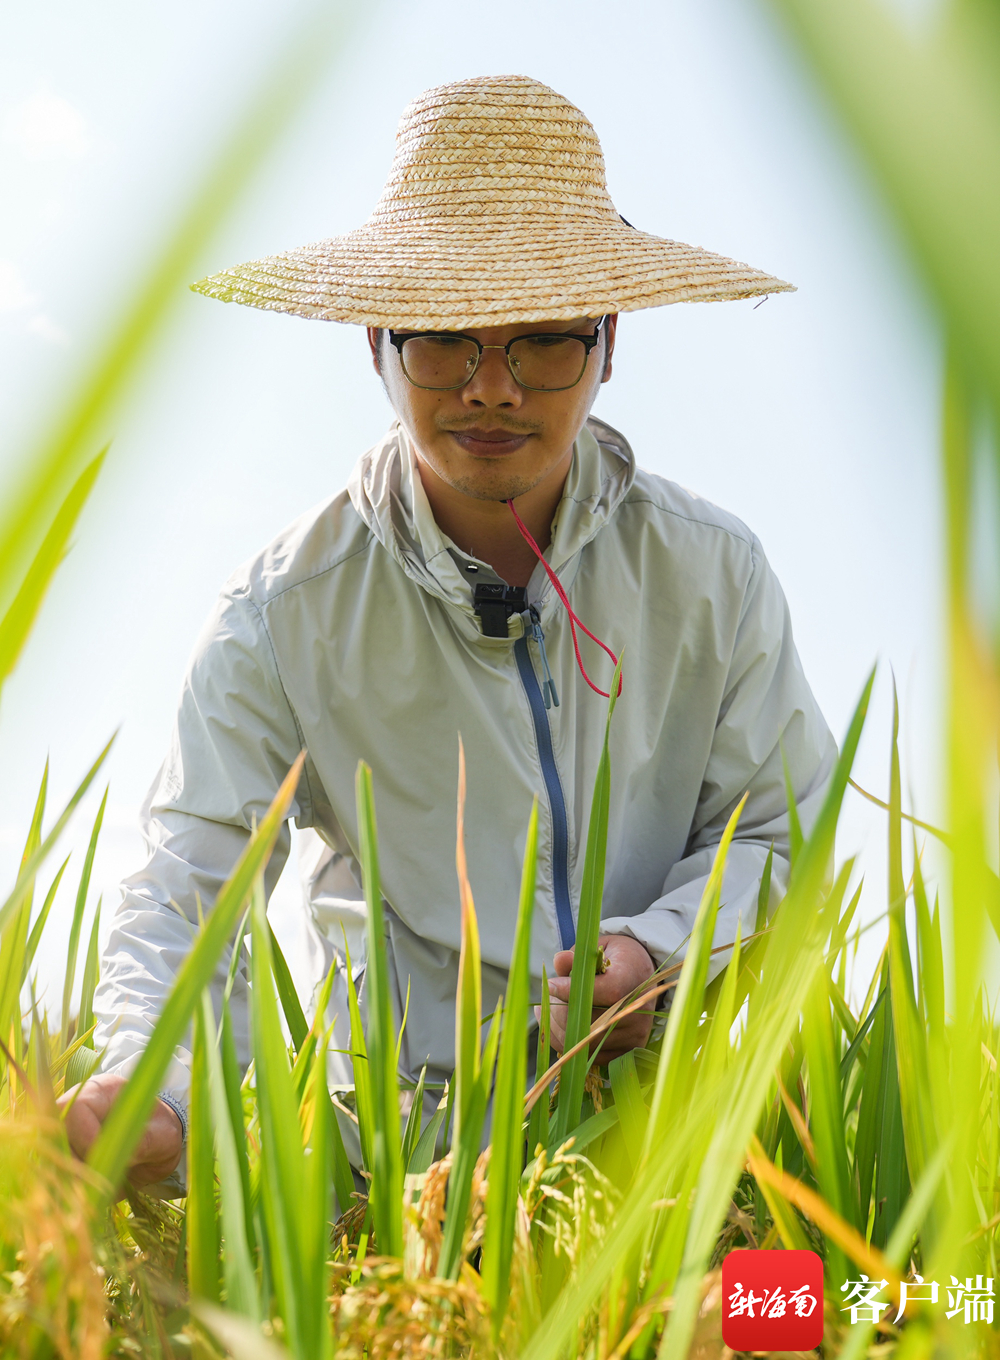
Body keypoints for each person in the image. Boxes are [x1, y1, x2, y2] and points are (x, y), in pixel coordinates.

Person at [66, 74, 836, 1188]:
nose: (490, 390)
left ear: (607, 345)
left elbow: (781, 833)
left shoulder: (710, 573)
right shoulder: (287, 609)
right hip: (393, 1178)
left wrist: (661, 951)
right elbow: (190, 868)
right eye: (441, 341)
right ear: (375, 343)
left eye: (541, 342)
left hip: (674, 1158)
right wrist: (154, 1078)